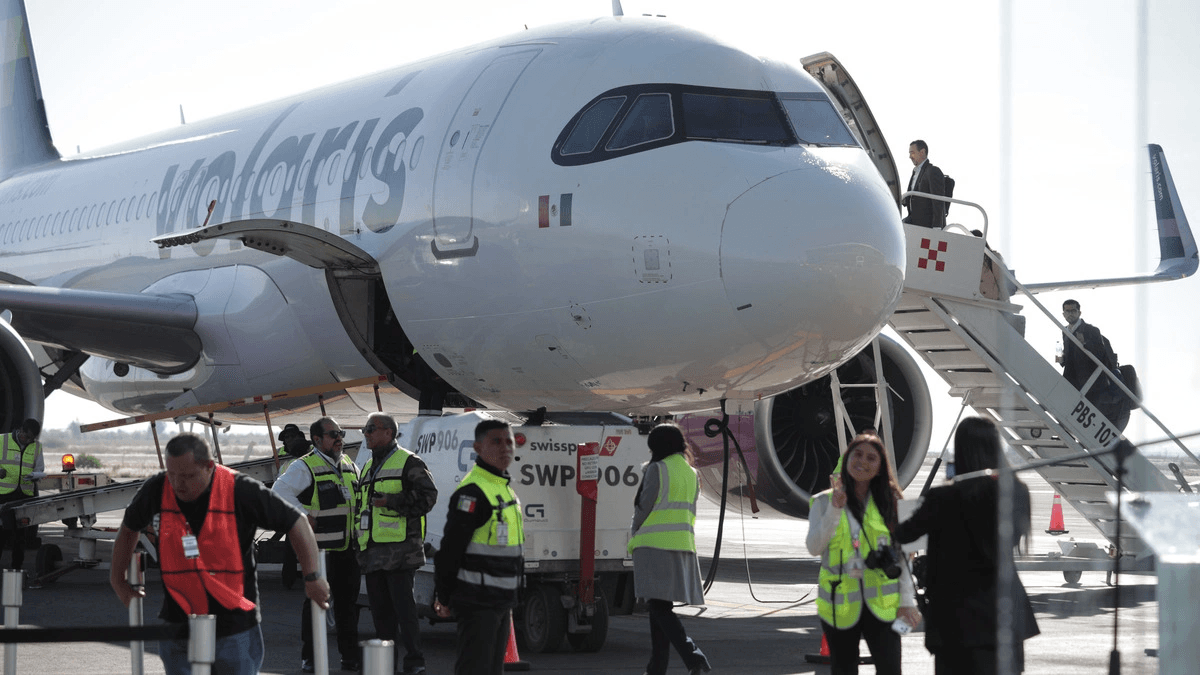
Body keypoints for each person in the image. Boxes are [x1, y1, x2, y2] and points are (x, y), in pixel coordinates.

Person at [109, 432, 330, 675]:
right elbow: (128, 529)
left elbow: (297, 522)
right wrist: (117, 580)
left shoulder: (240, 490)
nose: (177, 484)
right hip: (178, 621)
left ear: (209, 467)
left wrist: (312, 577)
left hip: (233, 625)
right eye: (172, 474)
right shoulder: (157, 488)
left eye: (187, 476)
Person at [894, 417, 1040, 674]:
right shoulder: (1017, 492)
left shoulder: (943, 498)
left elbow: (904, 534)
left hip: (956, 622)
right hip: (1005, 616)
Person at [806, 431, 920, 675]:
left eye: (871, 458)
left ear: (880, 468)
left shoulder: (894, 502)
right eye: (857, 455)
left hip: (882, 606)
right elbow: (814, 547)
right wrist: (835, 511)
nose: (863, 462)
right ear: (846, 460)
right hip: (840, 605)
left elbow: (905, 557)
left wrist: (907, 603)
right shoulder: (823, 502)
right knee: (843, 669)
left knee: (890, 669)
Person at [433, 419, 524, 675]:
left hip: (500, 601)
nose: (505, 447)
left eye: (509, 441)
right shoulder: (473, 492)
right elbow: (449, 550)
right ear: (477, 447)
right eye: (496, 441)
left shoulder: (503, 489)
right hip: (477, 602)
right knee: (475, 669)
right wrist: (444, 595)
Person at [271, 417, 362, 673]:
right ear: (317, 440)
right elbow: (279, 492)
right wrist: (302, 515)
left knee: (348, 605)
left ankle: (349, 656)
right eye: (333, 434)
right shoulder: (305, 466)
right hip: (321, 551)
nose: (339, 438)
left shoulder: (349, 465)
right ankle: (309, 657)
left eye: (341, 433)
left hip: (347, 549)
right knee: (315, 604)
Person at [628, 423, 711, 675]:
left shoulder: (657, 469)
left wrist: (634, 535)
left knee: (659, 608)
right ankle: (657, 668)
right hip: (682, 546)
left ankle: (694, 657)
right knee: (659, 607)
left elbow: (644, 507)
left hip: (654, 546)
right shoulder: (692, 473)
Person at [357, 412, 438, 675]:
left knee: (405, 612)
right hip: (374, 554)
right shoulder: (369, 467)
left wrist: (391, 501)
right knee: (381, 615)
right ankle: (385, 665)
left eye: (371, 429)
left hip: (401, 553)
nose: (366, 434)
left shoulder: (408, 462)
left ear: (388, 433)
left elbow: (428, 497)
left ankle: (415, 661)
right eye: (365, 430)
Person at [1056, 299, 1129, 429]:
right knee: (1065, 407)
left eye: (1073, 311)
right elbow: (1070, 357)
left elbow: (1101, 353)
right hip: (1072, 379)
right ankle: (1066, 431)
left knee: (1089, 416)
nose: (1070, 314)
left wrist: (1085, 343)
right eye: (1067, 311)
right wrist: (1062, 359)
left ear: (1079, 312)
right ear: (1063, 314)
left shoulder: (1091, 330)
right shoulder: (1065, 331)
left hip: (1091, 382)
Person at [0, 418, 45, 570]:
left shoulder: (36, 447)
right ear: (21, 430)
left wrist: (36, 475)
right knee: (2, 532)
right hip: (4, 494)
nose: (28, 441)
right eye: (26, 437)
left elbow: (40, 468)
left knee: (21, 536)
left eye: (31, 439)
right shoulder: (2, 440)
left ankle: (16, 569)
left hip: (25, 494)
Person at [902, 140, 947, 229]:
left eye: (912, 153)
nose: (910, 156)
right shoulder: (915, 172)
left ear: (922, 152)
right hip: (914, 221)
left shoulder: (932, 171)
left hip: (926, 225)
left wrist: (937, 226)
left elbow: (938, 200)